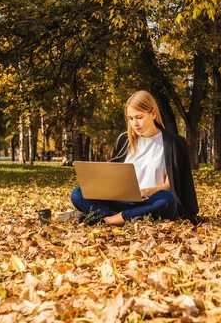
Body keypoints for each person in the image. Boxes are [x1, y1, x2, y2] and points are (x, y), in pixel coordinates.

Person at [70, 90, 200, 225]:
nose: (134, 123)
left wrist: (144, 191)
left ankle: (110, 218)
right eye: (130, 118)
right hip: (121, 201)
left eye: (139, 117)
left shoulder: (172, 143)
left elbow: (170, 185)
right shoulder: (124, 140)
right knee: (78, 193)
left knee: (167, 199)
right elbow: (114, 176)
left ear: (153, 114)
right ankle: (120, 218)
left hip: (150, 201)